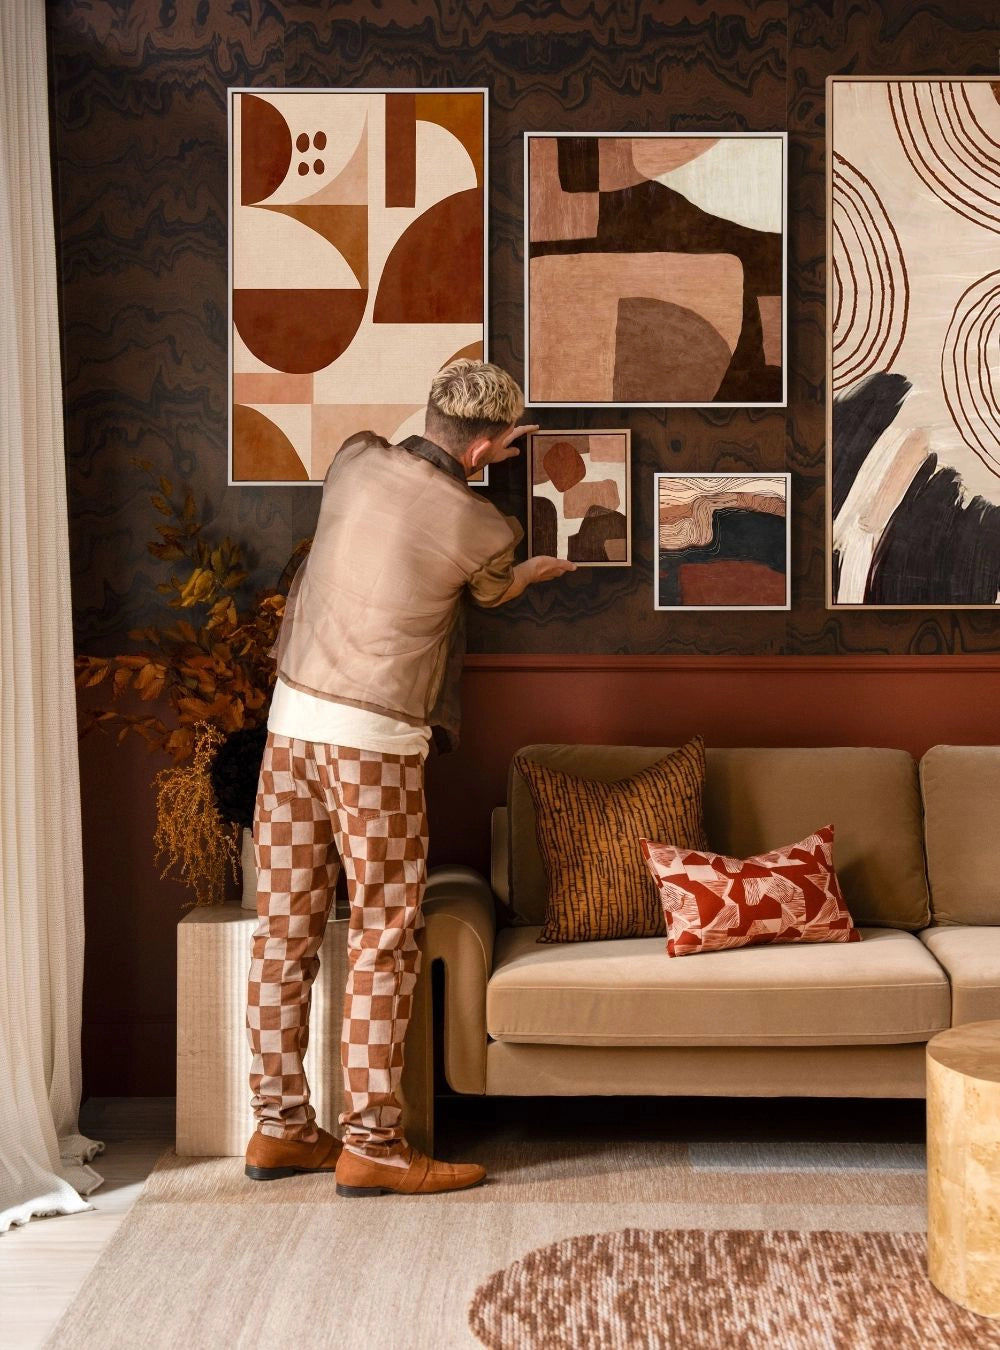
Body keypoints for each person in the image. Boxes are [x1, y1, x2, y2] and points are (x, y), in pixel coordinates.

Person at [243, 359, 575, 1196]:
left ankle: (279, 1130)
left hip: (288, 731)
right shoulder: (485, 527)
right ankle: (374, 1147)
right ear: (493, 448)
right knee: (384, 940)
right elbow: (487, 590)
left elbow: (420, 457)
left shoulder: (354, 459)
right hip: (373, 747)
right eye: (501, 444)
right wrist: (528, 571)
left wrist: (476, 434)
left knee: (283, 937)